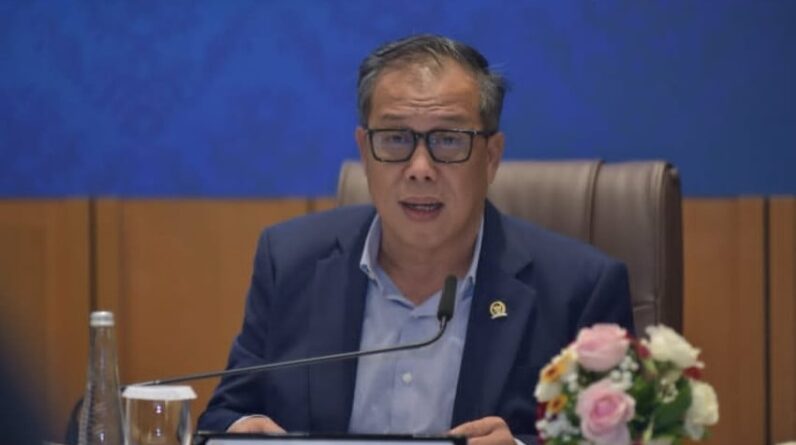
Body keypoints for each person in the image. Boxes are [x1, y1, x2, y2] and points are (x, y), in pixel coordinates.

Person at [198, 34, 634, 445]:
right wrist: (241, 431)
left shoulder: (579, 291)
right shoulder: (291, 261)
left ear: (491, 157)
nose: (420, 168)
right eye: (395, 139)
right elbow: (225, 414)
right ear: (364, 150)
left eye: (448, 140)